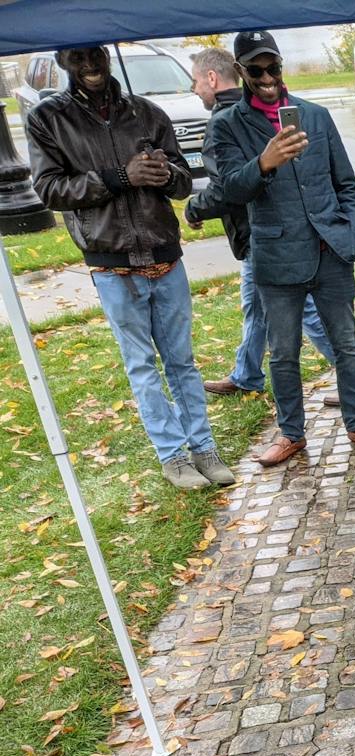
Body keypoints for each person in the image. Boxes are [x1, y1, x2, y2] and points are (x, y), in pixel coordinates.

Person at [25, 45, 235, 490]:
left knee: (182, 361)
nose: (89, 65)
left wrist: (167, 175)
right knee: (141, 364)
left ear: (106, 54)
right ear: (64, 63)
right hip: (110, 259)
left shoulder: (146, 112)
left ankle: (203, 447)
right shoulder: (49, 119)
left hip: (163, 252)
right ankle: (173, 456)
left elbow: (183, 179)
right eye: (77, 59)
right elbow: (49, 189)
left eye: (94, 55)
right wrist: (120, 177)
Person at [206, 30, 355, 467]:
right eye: (256, 70)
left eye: (273, 67)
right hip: (276, 257)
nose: (267, 77)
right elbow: (229, 189)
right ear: (240, 72)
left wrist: (352, 236)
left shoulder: (316, 116)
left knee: (347, 345)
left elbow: (347, 183)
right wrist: (264, 162)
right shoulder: (226, 124)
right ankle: (291, 434)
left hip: (329, 251)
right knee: (284, 354)